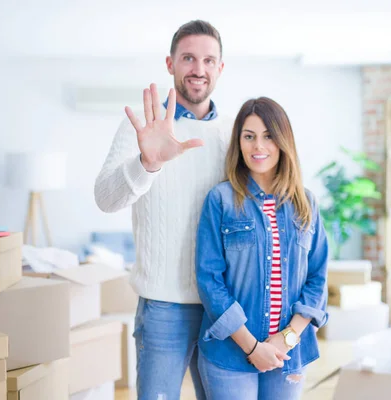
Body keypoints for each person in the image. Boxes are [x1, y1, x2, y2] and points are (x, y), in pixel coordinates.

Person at [94, 20, 232, 400]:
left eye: (208, 60)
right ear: (170, 64)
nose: (198, 69)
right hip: (163, 305)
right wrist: (148, 162)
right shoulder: (143, 128)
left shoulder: (233, 134)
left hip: (223, 306)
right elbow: (106, 199)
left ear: (220, 68)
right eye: (188, 58)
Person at [195, 97, 329, 399]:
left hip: (289, 355)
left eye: (269, 136)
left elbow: (318, 277)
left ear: (283, 142)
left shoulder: (306, 203)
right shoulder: (220, 200)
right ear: (238, 142)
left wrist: (287, 339)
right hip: (229, 355)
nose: (259, 146)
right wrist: (253, 347)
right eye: (249, 136)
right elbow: (209, 281)